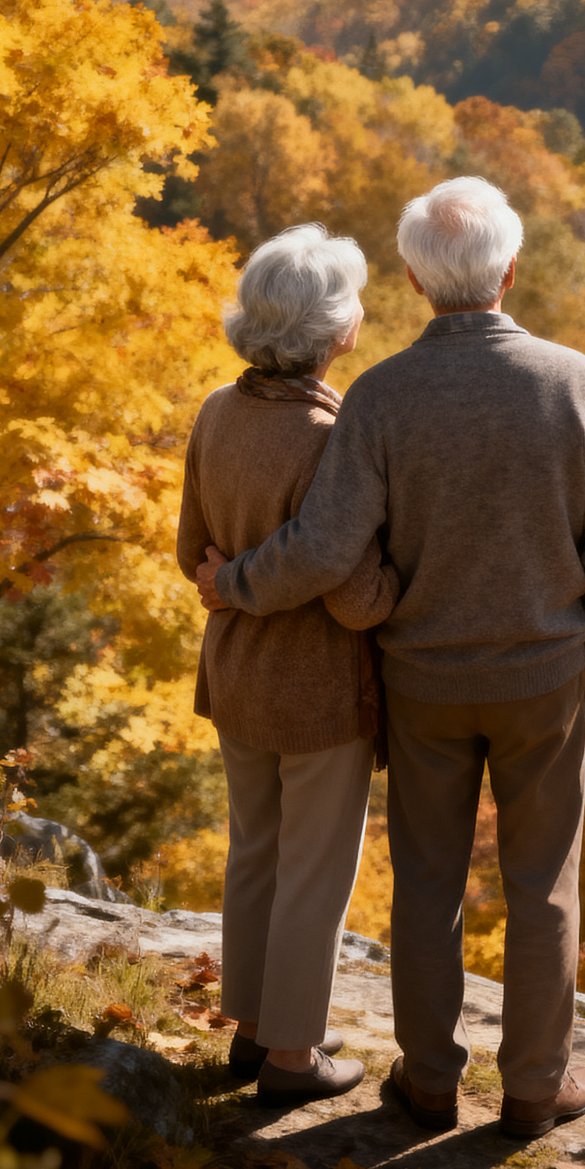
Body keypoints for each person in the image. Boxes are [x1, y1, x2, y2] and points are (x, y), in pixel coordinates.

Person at [196, 178, 585, 1138]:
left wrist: (232, 585)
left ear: (409, 278)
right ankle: (534, 1088)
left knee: (430, 881)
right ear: (511, 270)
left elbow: (327, 549)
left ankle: (431, 1081)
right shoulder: (575, 382)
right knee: (542, 883)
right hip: (544, 678)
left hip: (421, 682)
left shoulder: (380, 396)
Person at [177, 223, 398, 1106]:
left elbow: (190, 550)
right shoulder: (328, 434)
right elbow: (350, 594)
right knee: (316, 869)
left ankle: (257, 1027)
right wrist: (393, 590)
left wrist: (229, 583)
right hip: (316, 693)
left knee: (255, 853)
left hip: (234, 677)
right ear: (333, 329)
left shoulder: (215, 412)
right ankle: (295, 1060)